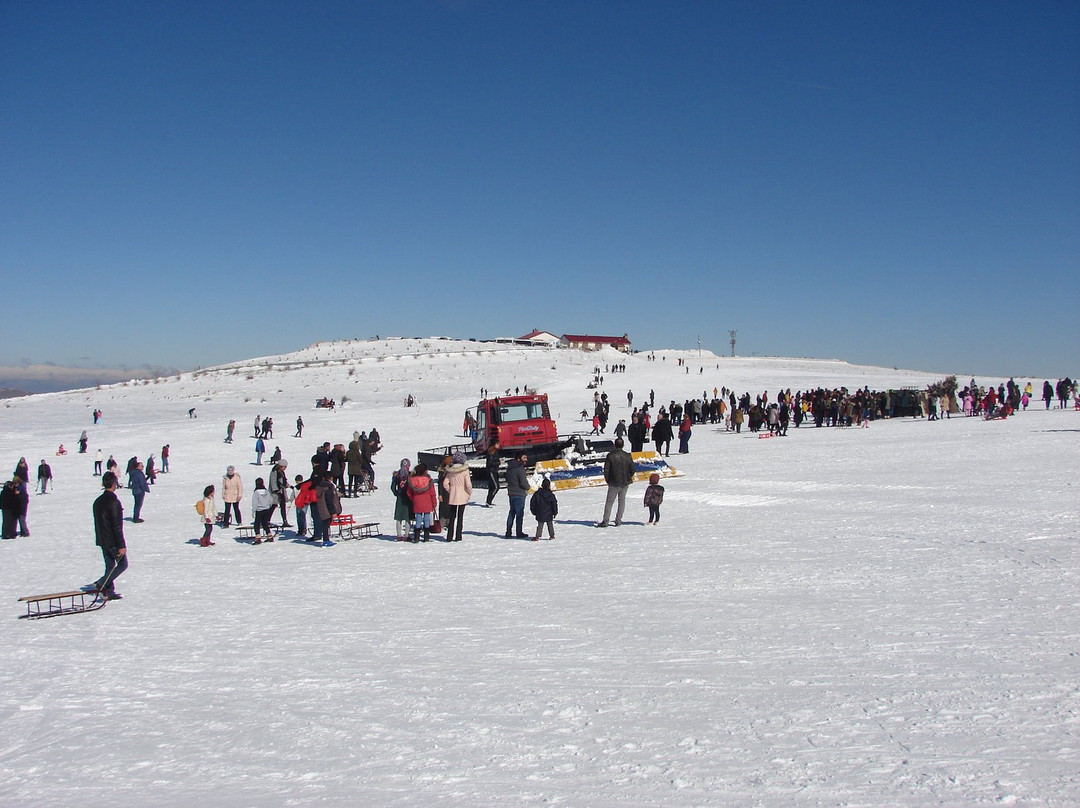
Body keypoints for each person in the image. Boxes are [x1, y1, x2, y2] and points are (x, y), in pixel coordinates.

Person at [92, 471, 127, 599]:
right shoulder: (113, 502)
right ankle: (102, 583)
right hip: (112, 541)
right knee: (123, 565)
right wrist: (121, 545)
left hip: (102, 539)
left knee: (110, 566)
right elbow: (117, 526)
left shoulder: (98, 501)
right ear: (113, 484)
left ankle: (109, 591)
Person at [597, 438, 634, 527]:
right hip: (625, 482)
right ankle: (618, 520)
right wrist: (628, 477)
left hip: (613, 482)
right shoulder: (627, 455)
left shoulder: (610, 455)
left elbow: (606, 470)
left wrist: (608, 480)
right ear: (623, 445)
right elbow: (632, 469)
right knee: (622, 502)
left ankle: (605, 521)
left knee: (609, 502)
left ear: (614, 445)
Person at [441, 451, 472, 542]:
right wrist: (469, 492)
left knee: (452, 517)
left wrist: (450, 490)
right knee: (460, 516)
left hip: (453, 496)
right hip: (463, 495)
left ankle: (449, 536)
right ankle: (458, 536)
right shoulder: (465, 470)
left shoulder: (450, 471)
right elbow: (468, 484)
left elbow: (445, 483)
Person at [406, 463, 438, 543]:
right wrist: (434, 503)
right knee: (427, 519)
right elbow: (432, 493)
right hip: (427, 501)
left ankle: (416, 537)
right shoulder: (429, 481)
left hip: (417, 500)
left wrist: (413, 498)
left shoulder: (412, 480)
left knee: (418, 519)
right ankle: (426, 537)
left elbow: (409, 492)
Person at [504, 450, 530, 538]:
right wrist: (528, 487)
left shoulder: (510, 467)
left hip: (511, 493)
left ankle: (508, 532)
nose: (526, 459)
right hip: (519, 493)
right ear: (519, 458)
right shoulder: (520, 468)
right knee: (519, 514)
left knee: (511, 513)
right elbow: (523, 482)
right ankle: (519, 532)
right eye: (524, 457)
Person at [390, 458, 413, 541]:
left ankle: (399, 535)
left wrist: (396, 493)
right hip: (408, 497)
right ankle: (406, 535)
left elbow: (392, 487)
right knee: (407, 517)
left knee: (399, 517)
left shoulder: (396, 475)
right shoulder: (410, 475)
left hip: (400, 497)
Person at [251, 478, 275, 543]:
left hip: (259, 510)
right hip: (266, 509)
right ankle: (269, 535)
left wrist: (253, 510)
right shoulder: (266, 491)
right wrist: (268, 506)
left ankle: (258, 537)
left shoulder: (256, 492)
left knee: (257, 524)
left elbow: (255, 502)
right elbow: (271, 500)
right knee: (265, 523)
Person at [269, 460, 292, 527]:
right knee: (273, 506)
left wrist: (289, 486)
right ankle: (267, 520)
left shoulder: (281, 472)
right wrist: (276, 490)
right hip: (276, 492)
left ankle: (285, 521)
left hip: (281, 491)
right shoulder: (274, 472)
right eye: (284, 467)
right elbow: (273, 482)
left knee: (283, 506)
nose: (285, 468)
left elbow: (284, 481)